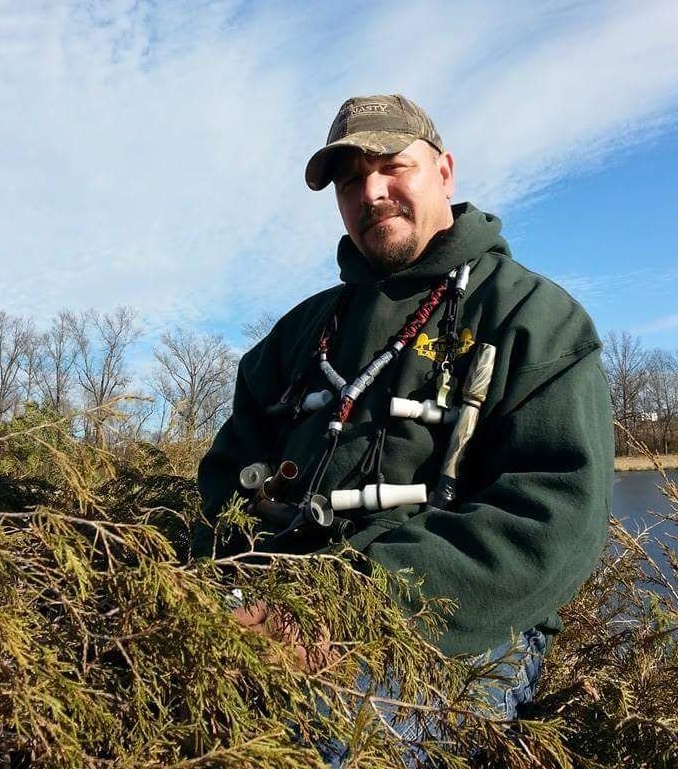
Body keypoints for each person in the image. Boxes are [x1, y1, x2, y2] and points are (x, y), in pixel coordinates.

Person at [193, 93, 614, 718]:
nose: (372, 192)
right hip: (274, 601)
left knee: (315, 744)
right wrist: (223, 595)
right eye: (350, 179)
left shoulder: (534, 319)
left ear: (444, 171)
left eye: (393, 164)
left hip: (453, 636)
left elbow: (554, 517)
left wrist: (347, 608)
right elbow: (225, 478)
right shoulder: (298, 334)